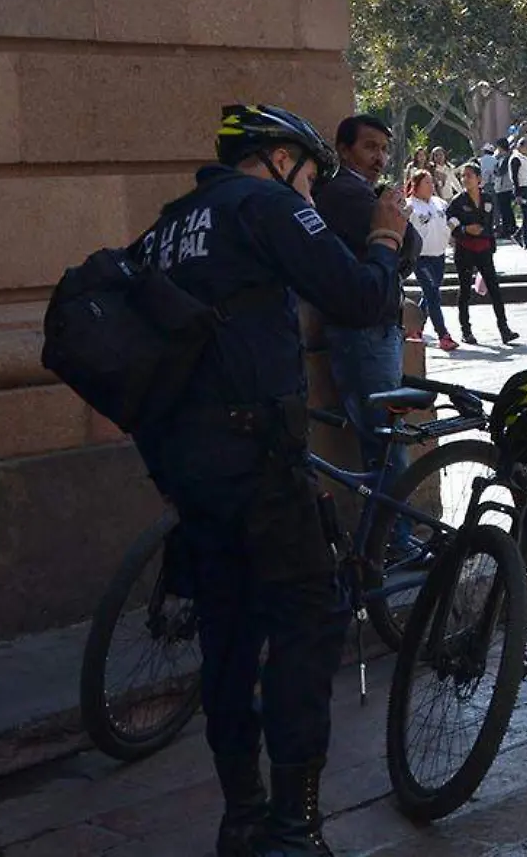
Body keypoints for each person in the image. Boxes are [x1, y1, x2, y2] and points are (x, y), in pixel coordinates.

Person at [134, 104, 405, 857]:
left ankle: (242, 815)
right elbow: (360, 298)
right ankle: (295, 826)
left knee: (227, 634)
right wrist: (384, 236)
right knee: (305, 627)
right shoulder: (267, 204)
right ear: (281, 159)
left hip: (193, 471)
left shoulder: (167, 226)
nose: (313, 194)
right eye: (312, 176)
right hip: (256, 461)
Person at [314, 115, 421, 479]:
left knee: (384, 441)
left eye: (384, 149)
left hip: (372, 325)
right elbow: (407, 244)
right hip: (366, 330)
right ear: (344, 150)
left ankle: (391, 532)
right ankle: (396, 534)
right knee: (385, 443)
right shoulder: (346, 192)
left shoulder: (363, 191)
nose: (380, 157)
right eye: (370, 147)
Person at [444, 161, 517, 346]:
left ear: (479, 179)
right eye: (463, 176)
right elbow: (450, 221)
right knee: (465, 291)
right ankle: (466, 330)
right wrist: (465, 229)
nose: (465, 179)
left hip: (484, 248)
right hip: (465, 249)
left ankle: (504, 329)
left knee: (495, 289)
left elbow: (490, 223)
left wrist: (490, 243)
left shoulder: (487, 199)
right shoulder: (457, 201)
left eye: (469, 175)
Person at [404, 169, 456, 351]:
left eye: (432, 182)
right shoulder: (410, 206)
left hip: (439, 255)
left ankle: (416, 328)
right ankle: (443, 335)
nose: (431, 186)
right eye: (427, 183)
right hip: (421, 258)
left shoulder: (439, 203)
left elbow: (452, 218)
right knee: (433, 295)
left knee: (430, 294)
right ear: (416, 186)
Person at [490, 139, 517, 239]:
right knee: (504, 210)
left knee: (506, 210)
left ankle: (509, 229)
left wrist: (495, 169)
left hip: (506, 187)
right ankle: (509, 228)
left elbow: (500, 171)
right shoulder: (500, 158)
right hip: (500, 187)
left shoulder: (507, 157)